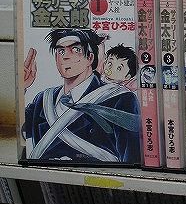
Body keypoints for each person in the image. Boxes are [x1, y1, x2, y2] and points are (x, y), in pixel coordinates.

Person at [22, 29, 140, 163]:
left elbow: (132, 158)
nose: (66, 56)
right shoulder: (43, 99)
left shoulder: (120, 99)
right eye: (61, 51)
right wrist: (22, 87)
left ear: (90, 58)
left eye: (76, 50)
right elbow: (18, 132)